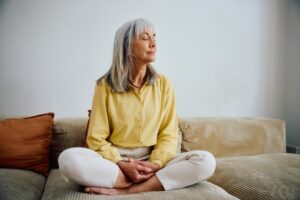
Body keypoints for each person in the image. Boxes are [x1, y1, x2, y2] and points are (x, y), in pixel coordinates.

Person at [58, 18, 216, 195]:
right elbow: (96, 138)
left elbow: (168, 134)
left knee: (206, 161)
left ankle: (126, 190)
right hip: (114, 161)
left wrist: (154, 164)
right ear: (127, 46)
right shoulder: (104, 86)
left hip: (152, 159)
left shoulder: (164, 84)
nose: (153, 43)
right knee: (68, 159)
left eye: (154, 37)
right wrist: (122, 164)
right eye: (145, 37)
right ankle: (141, 181)